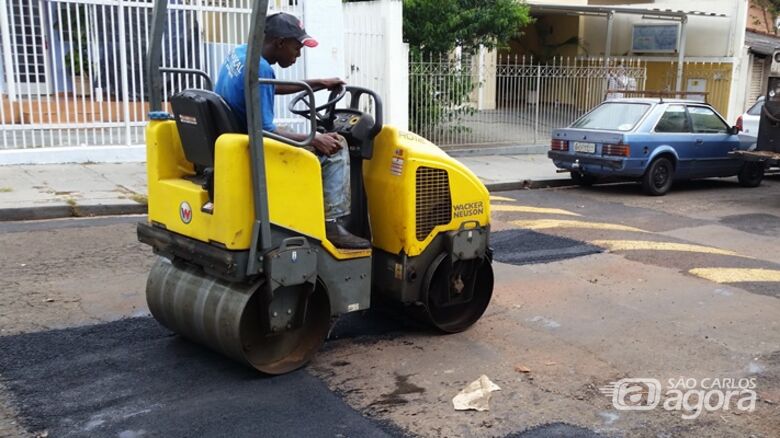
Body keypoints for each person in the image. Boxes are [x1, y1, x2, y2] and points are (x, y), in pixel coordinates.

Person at [215, 12, 369, 250]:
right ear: (280, 43)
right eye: (297, 48)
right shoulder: (261, 69)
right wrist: (315, 139)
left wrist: (317, 83)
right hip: (252, 144)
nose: (298, 54)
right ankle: (331, 224)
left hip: (236, 134)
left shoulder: (242, 54)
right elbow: (265, 130)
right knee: (337, 145)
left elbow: (268, 89)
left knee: (308, 136)